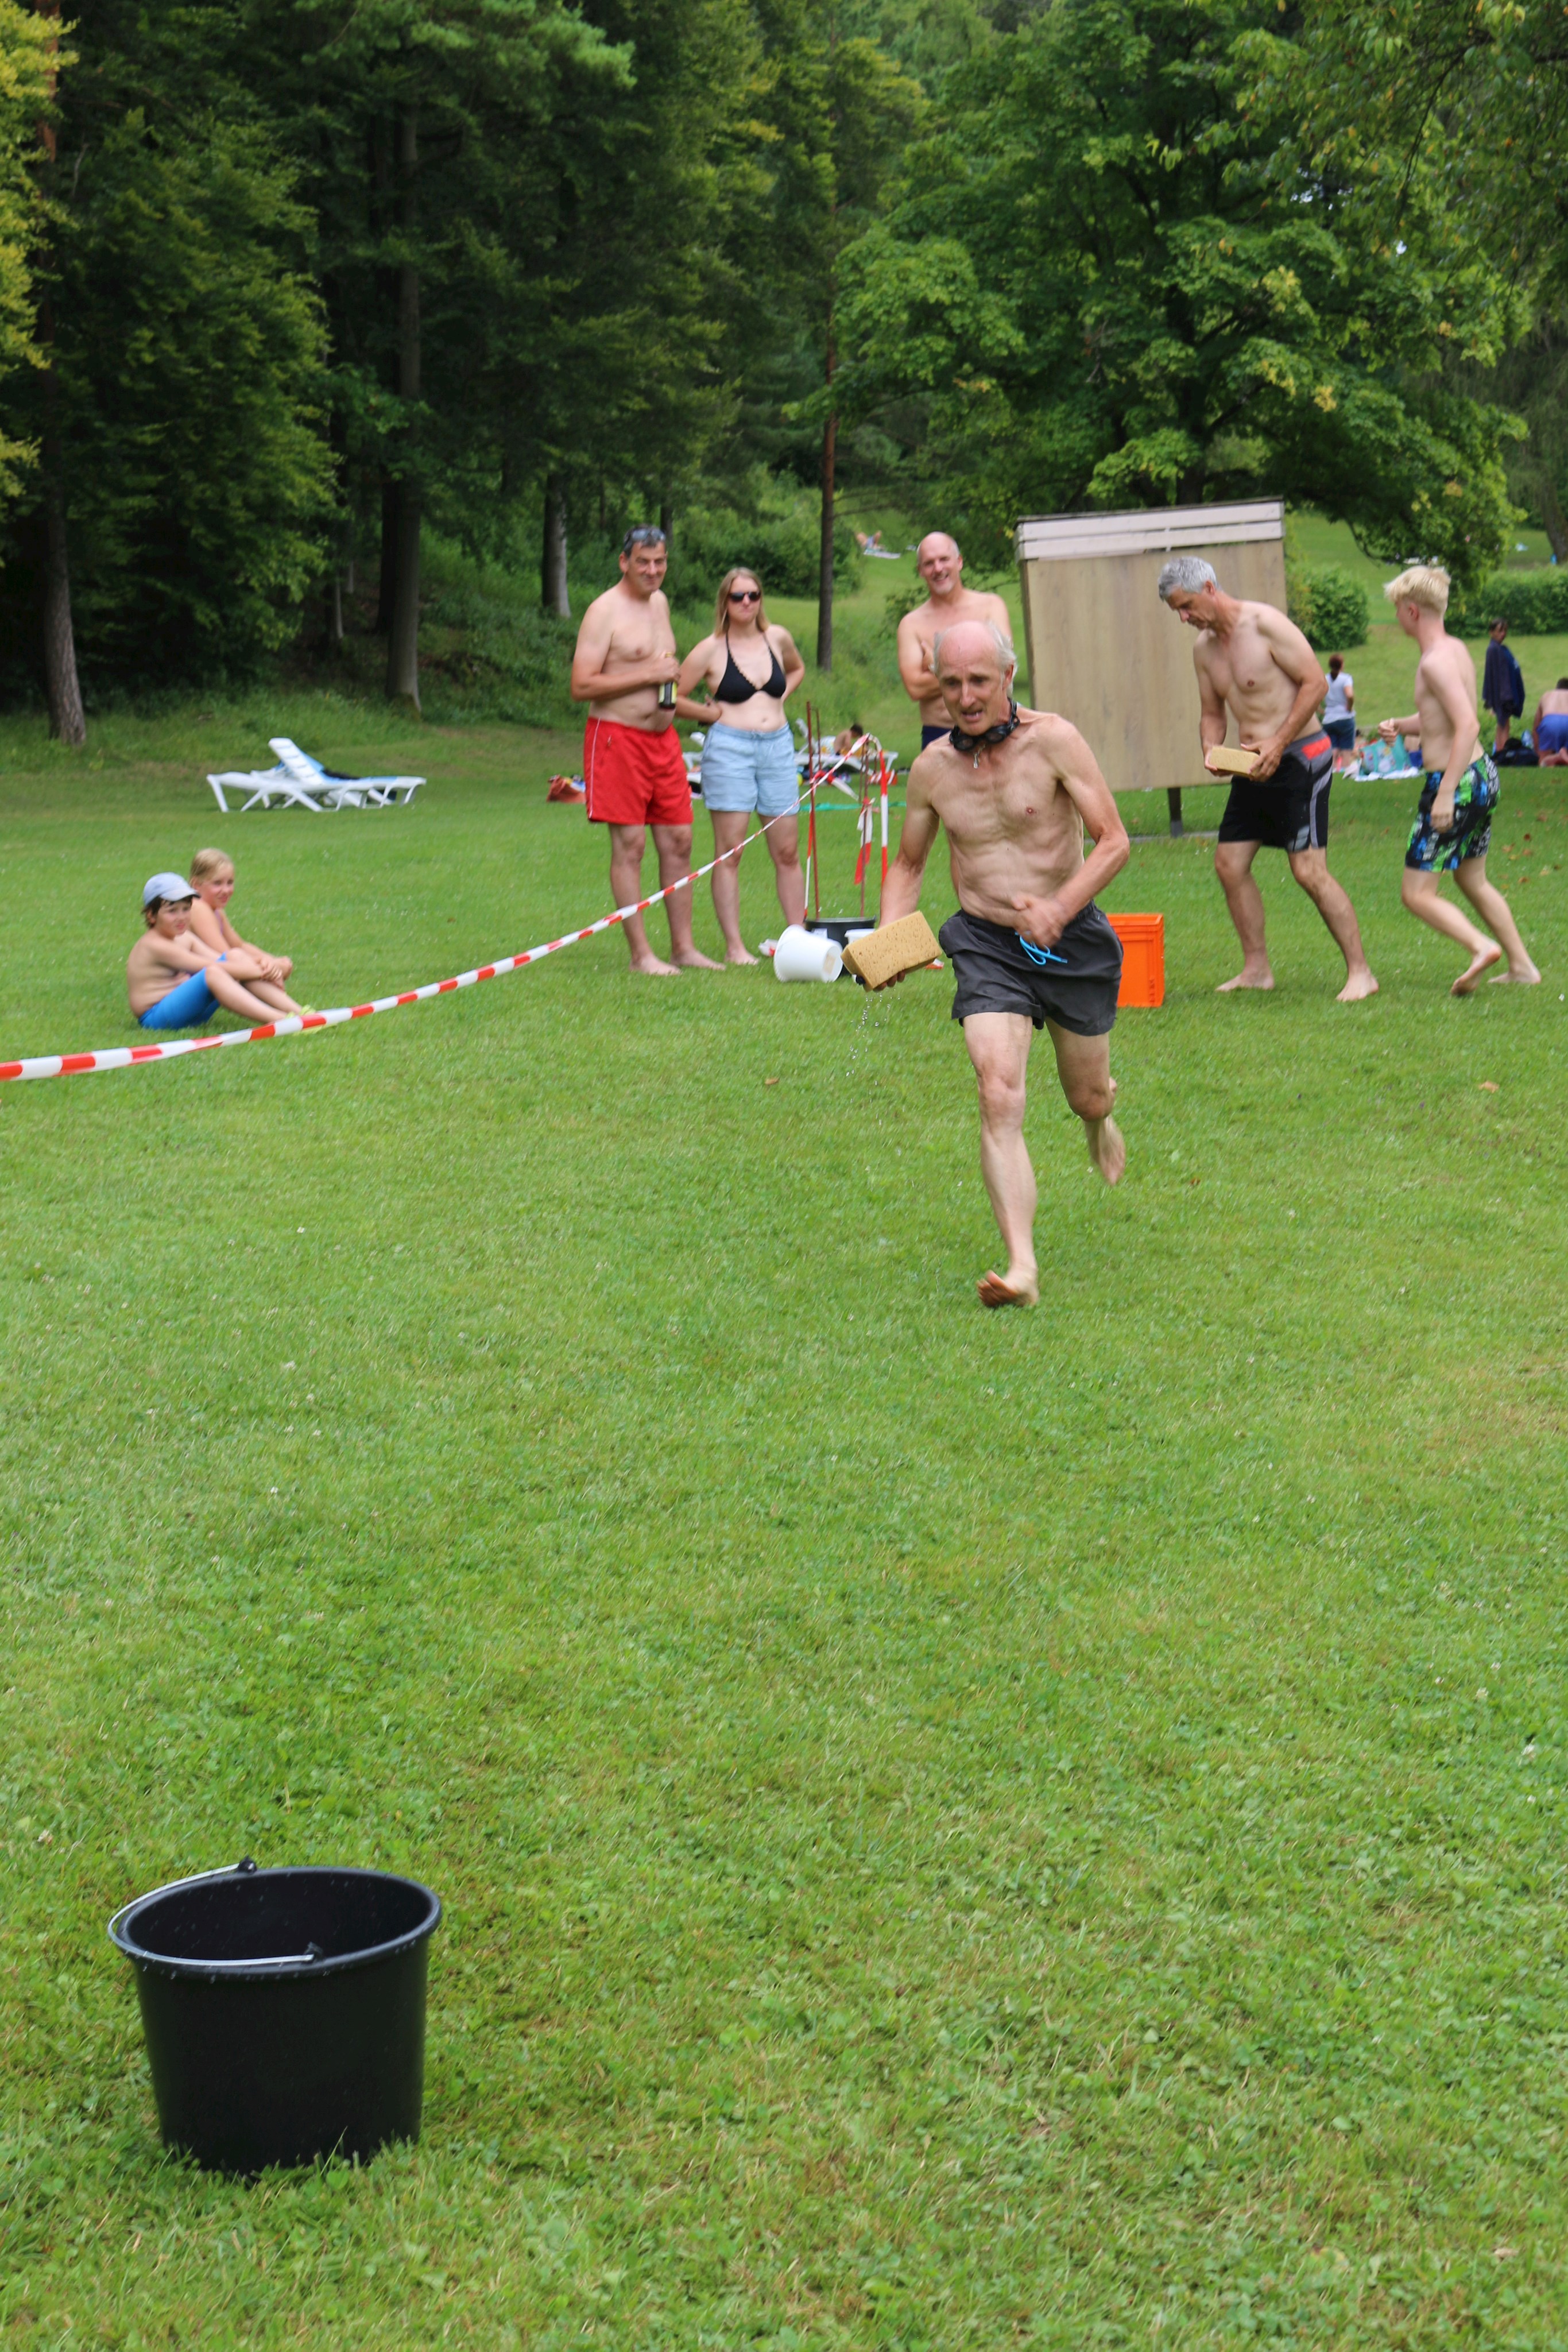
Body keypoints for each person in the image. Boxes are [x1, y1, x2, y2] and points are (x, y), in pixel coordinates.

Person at [878, 620, 1129, 1310]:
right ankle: (1021, 1264)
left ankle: (1097, 1121)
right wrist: (890, 943)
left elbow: (1113, 841)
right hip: (988, 942)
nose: (964, 696)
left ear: (1008, 677)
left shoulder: (1053, 740)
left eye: (978, 681)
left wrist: (1059, 906)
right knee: (997, 1089)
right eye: (951, 683)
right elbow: (907, 865)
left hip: (1071, 938)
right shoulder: (931, 770)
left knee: (1088, 1094)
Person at [1157, 554, 1377, 1001]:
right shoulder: (1203, 649)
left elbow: (1314, 683)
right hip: (1252, 765)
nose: (1183, 618)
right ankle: (1256, 969)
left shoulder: (1265, 625)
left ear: (1209, 587)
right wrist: (1210, 748)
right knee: (1229, 864)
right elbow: (1212, 712)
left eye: (1185, 606)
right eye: (1176, 612)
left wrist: (1278, 741)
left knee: (1308, 871)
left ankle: (1361, 973)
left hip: (1301, 757)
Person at [569, 524, 721, 976]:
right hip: (617, 739)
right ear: (624, 562)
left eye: (659, 562)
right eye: (643, 562)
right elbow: (581, 685)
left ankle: (683, 947)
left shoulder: (660, 603)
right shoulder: (603, 611)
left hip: (664, 741)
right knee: (631, 846)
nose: (652, 571)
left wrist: (695, 709)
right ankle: (641, 956)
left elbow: (665, 677)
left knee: (679, 840)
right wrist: (647, 675)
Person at [1381, 566, 1539, 992]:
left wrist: (1445, 793)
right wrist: (1401, 723)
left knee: (1415, 893)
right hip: (1481, 775)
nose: (1396, 617)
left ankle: (1479, 947)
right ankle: (1522, 966)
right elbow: (1441, 718)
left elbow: (1467, 725)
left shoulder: (1433, 661)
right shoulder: (1453, 650)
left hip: (1458, 782)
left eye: (1396, 609)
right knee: (1471, 878)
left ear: (1411, 610)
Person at [676, 567, 807, 965]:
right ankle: (734, 947)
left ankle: (796, 938)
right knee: (729, 851)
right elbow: (673, 696)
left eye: (753, 595)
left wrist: (780, 702)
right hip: (730, 750)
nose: (747, 603)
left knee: (786, 849)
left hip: (779, 747)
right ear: (725, 603)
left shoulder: (777, 637)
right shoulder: (709, 649)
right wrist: (708, 713)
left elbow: (797, 668)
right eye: (738, 597)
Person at [127, 874, 304, 1029]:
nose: (182, 917)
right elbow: (213, 967)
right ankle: (281, 1020)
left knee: (235, 955)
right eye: (172, 911)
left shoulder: (185, 937)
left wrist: (263, 964)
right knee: (213, 972)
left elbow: (226, 960)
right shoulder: (155, 945)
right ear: (151, 915)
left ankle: (301, 1012)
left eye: (186, 909)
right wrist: (269, 971)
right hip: (157, 1018)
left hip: (192, 1011)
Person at [896, 532, 1013, 749]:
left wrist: (935, 667)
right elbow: (915, 688)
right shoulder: (911, 624)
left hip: (997, 731)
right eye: (929, 563)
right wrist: (978, 670)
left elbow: (1004, 669)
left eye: (944, 559)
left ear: (959, 562)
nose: (938, 569)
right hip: (940, 736)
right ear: (920, 571)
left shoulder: (991, 607)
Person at [187, 849, 299, 996]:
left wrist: (271, 960)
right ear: (196, 884)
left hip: (210, 975)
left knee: (260, 969)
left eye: (230, 883)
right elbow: (227, 956)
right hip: (191, 984)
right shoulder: (198, 908)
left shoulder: (216, 910)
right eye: (217, 883)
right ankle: (293, 1012)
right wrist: (271, 966)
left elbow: (239, 945)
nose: (226, 890)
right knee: (249, 972)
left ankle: (293, 1012)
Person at [1482, 617, 1525, 756]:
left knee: (1503, 724)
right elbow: (1498, 676)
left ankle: (1499, 753)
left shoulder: (1499, 649)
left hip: (1502, 695)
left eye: (1505, 630)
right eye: (1500, 631)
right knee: (1504, 725)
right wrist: (1506, 697)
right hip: (1503, 696)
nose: (1503, 634)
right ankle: (1503, 754)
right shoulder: (1494, 650)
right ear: (1491, 632)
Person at [1322, 654, 1356, 764]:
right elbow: (1350, 695)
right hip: (1344, 717)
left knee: (1333, 749)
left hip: (1329, 718)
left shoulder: (1325, 679)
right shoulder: (1346, 679)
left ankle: (1332, 773)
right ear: (1342, 665)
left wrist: (1321, 711)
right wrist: (1349, 707)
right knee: (1346, 749)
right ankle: (1346, 772)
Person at [1531, 678, 1568, 766]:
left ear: (1557, 689)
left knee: (1543, 761)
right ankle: (1564, 756)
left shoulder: (1547, 695)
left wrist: (1538, 753)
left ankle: (1550, 759)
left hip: (1550, 721)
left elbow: (1536, 728)